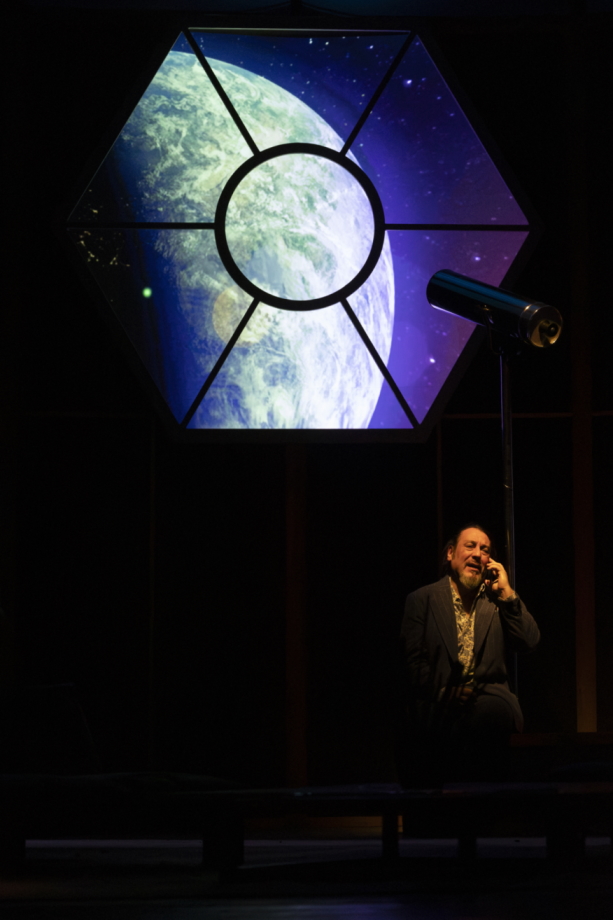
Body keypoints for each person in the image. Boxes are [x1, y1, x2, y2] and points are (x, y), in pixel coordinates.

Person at [399, 524, 540, 783]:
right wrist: (442, 693)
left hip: (489, 701)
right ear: (450, 554)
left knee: (486, 717)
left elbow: (529, 641)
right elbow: (413, 662)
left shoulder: (496, 599)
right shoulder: (422, 600)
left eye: (484, 550)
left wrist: (507, 594)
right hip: (437, 699)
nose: (477, 554)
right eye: (470, 546)